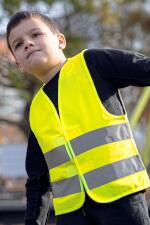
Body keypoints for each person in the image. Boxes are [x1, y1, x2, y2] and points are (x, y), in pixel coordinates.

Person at [6, 10, 150, 225]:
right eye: (18, 44)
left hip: (121, 201)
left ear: (60, 40)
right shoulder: (36, 109)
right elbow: (38, 181)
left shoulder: (92, 64)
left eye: (36, 35)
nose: (27, 43)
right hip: (71, 214)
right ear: (18, 64)